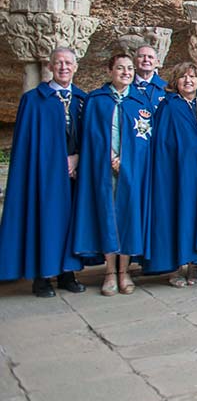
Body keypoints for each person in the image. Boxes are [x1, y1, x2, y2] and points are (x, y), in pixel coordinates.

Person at [0, 47, 87, 297]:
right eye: (58, 63)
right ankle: (42, 277)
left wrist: (77, 159)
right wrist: (55, 163)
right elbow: (27, 144)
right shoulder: (34, 100)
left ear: (75, 67)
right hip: (44, 176)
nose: (63, 67)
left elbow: (91, 137)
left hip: (74, 175)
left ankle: (68, 274)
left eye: (68, 63)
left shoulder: (82, 99)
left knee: (71, 224)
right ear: (50, 67)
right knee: (45, 222)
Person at [72, 51, 153, 296]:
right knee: (107, 215)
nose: (126, 72)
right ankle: (109, 272)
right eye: (120, 68)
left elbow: (145, 140)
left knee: (128, 216)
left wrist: (127, 162)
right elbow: (91, 135)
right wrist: (109, 157)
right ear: (110, 71)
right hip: (102, 168)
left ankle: (124, 271)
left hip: (131, 170)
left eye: (129, 68)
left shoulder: (140, 101)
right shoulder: (96, 100)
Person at [145, 61, 197, 287]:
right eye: (183, 76)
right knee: (178, 213)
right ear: (175, 81)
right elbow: (163, 141)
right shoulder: (169, 105)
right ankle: (177, 267)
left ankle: (195, 264)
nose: (188, 80)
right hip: (177, 169)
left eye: (192, 76)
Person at [131, 44, 168, 109]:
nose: (146, 60)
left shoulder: (167, 89)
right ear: (134, 61)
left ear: (157, 62)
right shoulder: (124, 86)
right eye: (141, 56)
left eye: (150, 57)